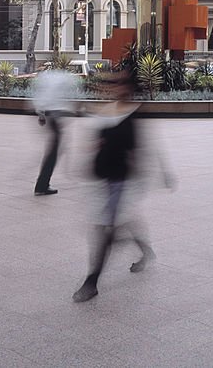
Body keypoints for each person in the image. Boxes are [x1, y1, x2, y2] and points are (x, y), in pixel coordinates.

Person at [72, 71, 167, 303]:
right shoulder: (109, 110)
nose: (113, 87)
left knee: (104, 229)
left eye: (119, 83)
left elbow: (140, 151)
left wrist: (151, 178)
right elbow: (98, 141)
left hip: (121, 181)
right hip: (103, 178)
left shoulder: (133, 115)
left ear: (129, 88)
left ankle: (91, 281)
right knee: (117, 224)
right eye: (111, 83)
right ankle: (146, 250)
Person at [30, 69, 79, 196]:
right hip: (54, 116)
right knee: (53, 151)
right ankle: (42, 185)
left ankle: (42, 184)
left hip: (50, 115)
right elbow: (61, 99)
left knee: (53, 149)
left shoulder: (48, 78)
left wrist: (40, 114)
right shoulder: (63, 79)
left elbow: (42, 97)